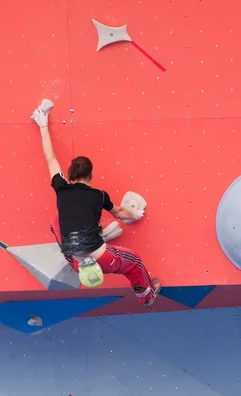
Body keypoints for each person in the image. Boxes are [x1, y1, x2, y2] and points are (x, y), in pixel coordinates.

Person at [31, 105, 161, 307]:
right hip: (100, 258)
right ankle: (147, 296)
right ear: (91, 176)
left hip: (74, 261)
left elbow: (51, 158)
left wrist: (43, 126)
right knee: (133, 262)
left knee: (55, 221)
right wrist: (134, 214)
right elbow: (119, 213)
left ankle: (96, 236)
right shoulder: (99, 195)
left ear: (70, 175)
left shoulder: (61, 189)